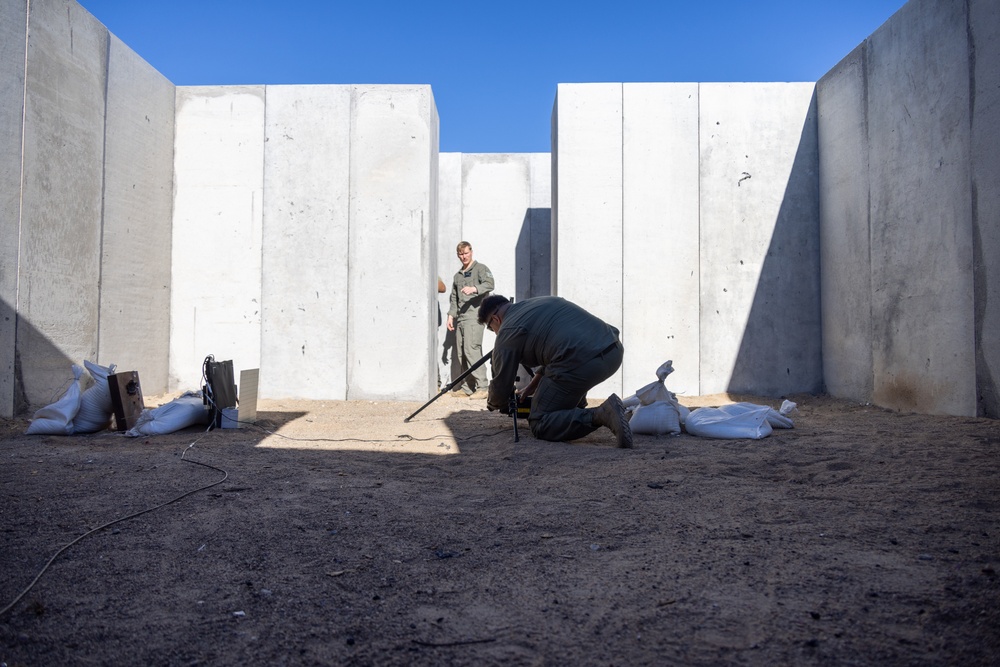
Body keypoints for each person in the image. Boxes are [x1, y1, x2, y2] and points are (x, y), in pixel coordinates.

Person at [477, 294, 633, 448]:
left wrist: (493, 403)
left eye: (491, 329)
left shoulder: (508, 330)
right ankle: (576, 408)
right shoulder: (543, 301)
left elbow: (501, 387)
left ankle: (602, 414)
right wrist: (533, 384)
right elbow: (560, 342)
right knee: (562, 376)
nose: (495, 333)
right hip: (613, 351)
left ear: (495, 320)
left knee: (540, 422)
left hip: (582, 362)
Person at [447, 242, 494, 396]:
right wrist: (450, 316)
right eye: (461, 254)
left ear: (471, 252)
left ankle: (482, 387)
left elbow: (489, 284)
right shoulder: (457, 275)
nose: (464, 257)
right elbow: (454, 299)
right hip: (461, 318)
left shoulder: (480, 269)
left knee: (471, 349)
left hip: (475, 316)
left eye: (466, 253)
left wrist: (474, 288)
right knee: (461, 353)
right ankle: (468, 387)